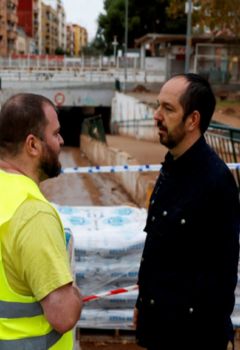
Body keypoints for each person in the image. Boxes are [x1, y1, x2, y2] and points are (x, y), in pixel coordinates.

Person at [0, 93, 82, 350]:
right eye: (56, 133)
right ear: (33, 145)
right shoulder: (33, 214)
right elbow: (64, 316)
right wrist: (74, 294)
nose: (61, 140)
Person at [133, 74, 240, 350]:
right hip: (159, 329)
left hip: (189, 338)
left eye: (168, 109)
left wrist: (215, 339)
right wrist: (142, 304)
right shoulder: (171, 167)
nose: (157, 116)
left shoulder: (216, 183)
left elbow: (222, 275)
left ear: (193, 120)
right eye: (158, 106)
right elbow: (157, 246)